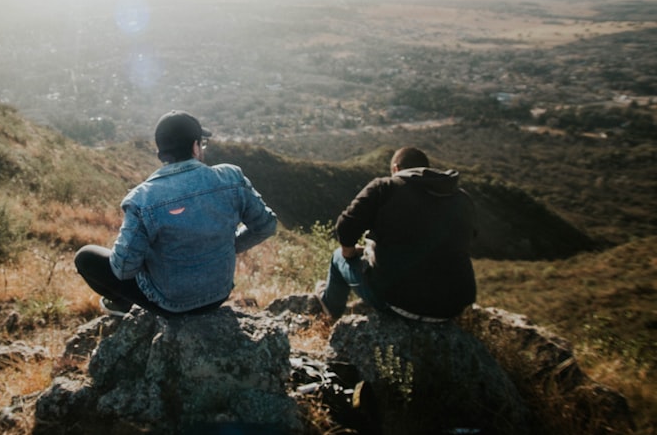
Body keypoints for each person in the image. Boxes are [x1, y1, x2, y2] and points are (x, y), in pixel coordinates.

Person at [75, 110, 278, 318]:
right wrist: (229, 245)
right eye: (202, 143)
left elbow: (123, 269)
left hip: (171, 305)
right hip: (219, 295)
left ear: (161, 153)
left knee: (85, 257)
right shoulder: (231, 178)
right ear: (195, 146)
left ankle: (120, 304)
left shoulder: (142, 198)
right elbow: (266, 225)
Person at [318, 146, 477, 322]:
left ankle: (330, 310)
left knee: (338, 256)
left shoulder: (385, 187)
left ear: (395, 168)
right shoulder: (462, 198)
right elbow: (468, 240)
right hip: (452, 307)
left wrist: (350, 253)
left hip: (397, 302)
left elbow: (345, 227)